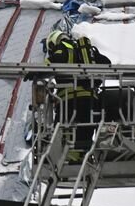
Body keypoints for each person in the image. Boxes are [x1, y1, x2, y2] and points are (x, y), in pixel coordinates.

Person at [42, 25, 111, 160]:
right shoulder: (87, 51)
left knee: (63, 132)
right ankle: (81, 156)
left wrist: (37, 71)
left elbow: (53, 62)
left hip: (70, 101)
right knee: (85, 133)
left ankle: (70, 159)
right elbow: (106, 63)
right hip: (91, 100)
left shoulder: (63, 47)